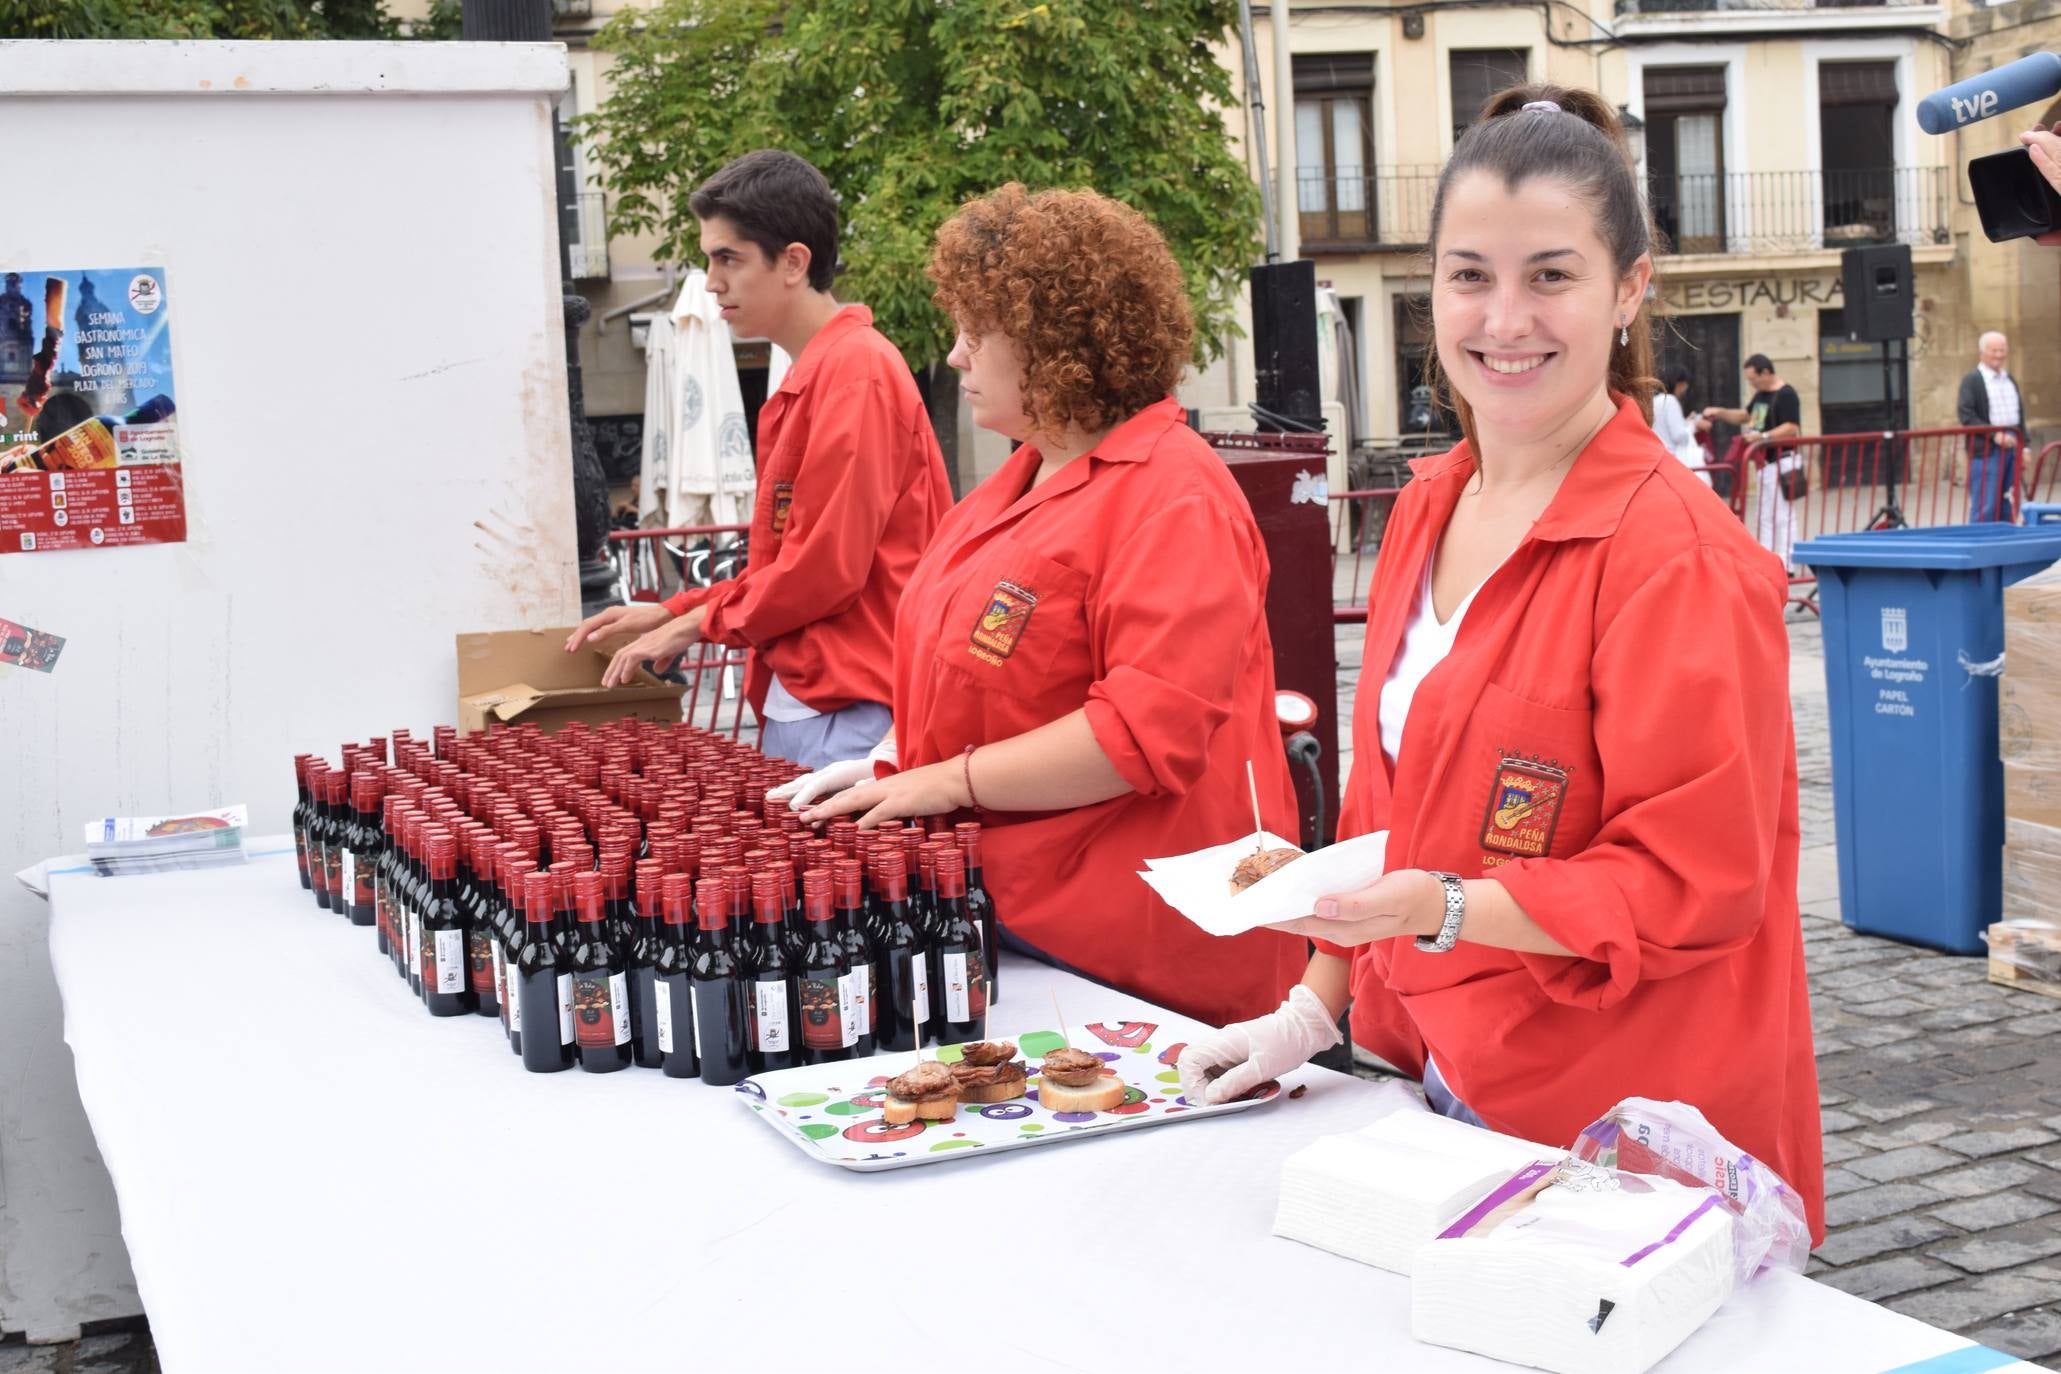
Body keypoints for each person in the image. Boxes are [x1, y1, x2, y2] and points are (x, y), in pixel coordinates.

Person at [1177, 86, 1825, 1244]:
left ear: (1629, 290)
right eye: (1471, 275)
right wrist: (1315, 1006)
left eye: (1552, 276)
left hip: (1626, 1137)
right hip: (1455, 1085)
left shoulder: (1674, 558)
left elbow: (1699, 879)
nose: (1505, 317)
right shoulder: (1431, 506)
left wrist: (1448, 907)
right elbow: (1392, 809)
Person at [799, 185, 1308, 1029]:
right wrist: (892, 760)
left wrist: (939, 781)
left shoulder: (1173, 495)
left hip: (1141, 949)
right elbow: (957, 669)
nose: (956, 357)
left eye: (974, 333)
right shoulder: (1019, 477)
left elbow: (1142, 737)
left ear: (1048, 346)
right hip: (1024, 917)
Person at [565, 150, 952, 770]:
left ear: (794, 261)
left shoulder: (855, 371)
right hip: (818, 702)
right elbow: (799, 565)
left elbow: (824, 570)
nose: (713, 281)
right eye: (710, 259)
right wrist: (675, 608)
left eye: (728, 258)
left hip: (850, 705)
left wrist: (695, 621)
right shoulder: (820, 372)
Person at [1701, 355, 1802, 569]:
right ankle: (1767, 558)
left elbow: (1792, 427)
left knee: (1783, 514)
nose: (1752, 383)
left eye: (1753, 378)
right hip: (1765, 462)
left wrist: (1763, 437)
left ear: (1765, 372)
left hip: (1782, 461)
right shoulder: (1761, 395)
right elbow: (1745, 416)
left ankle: (1787, 561)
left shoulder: (1786, 394)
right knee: (1766, 513)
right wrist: (1720, 412)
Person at [1957, 331, 2022, 523]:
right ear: (1982, 353)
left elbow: (2020, 415)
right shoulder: (1972, 380)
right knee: (1986, 504)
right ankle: (1980, 544)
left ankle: (2005, 543)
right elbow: (1966, 415)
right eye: (1994, 351)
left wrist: (2024, 445)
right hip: (1986, 448)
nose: (1999, 355)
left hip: (2012, 442)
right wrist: (1994, 435)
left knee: (2008, 502)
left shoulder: (2009, 379)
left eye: (2002, 350)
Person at [1648, 365, 1709, 485]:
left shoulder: (1655, 401)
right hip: (1673, 458)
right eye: (1684, 384)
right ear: (1678, 383)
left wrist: (1686, 422)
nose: (1685, 388)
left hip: (1659, 459)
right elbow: (1679, 435)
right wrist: (1695, 426)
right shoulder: (1670, 401)